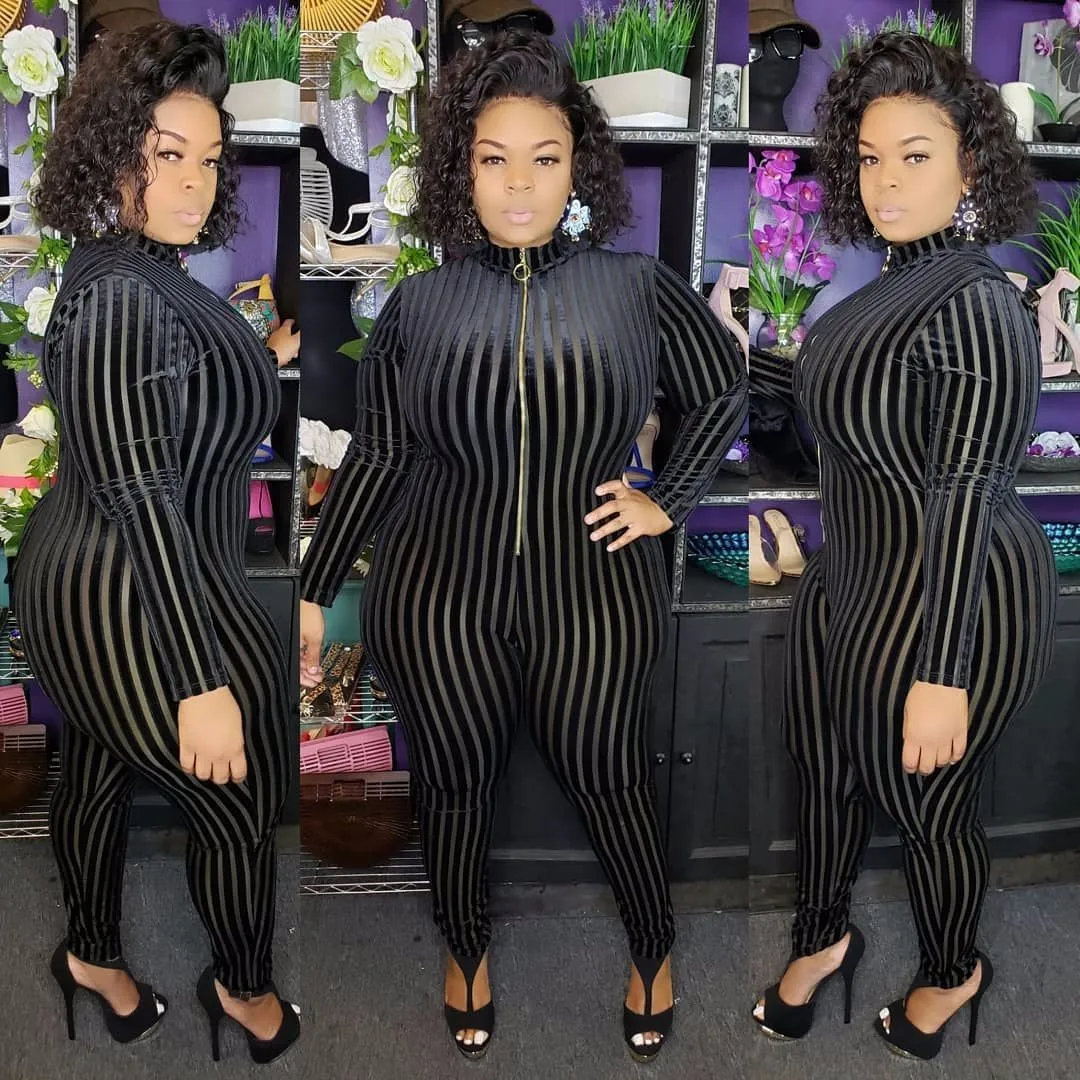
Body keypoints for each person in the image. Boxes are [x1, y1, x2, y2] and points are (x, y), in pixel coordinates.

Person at [298, 30, 745, 1063]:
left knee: (609, 777)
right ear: (463, 169)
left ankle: (653, 945)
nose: (518, 183)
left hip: (592, 587)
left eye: (544, 158)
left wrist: (666, 500)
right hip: (438, 591)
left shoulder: (634, 287)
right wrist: (314, 590)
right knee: (454, 788)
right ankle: (465, 950)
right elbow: (381, 453)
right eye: (493, 158)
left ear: (576, 166)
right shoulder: (420, 303)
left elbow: (722, 391)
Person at [750, 32, 1055, 1060]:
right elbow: (846, 406)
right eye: (870, 157)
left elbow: (966, 489)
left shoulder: (978, 302)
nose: (886, 181)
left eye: (915, 156)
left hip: (952, 594)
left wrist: (943, 674)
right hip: (854, 575)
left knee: (929, 808)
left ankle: (953, 967)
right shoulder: (885, 285)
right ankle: (822, 938)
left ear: (970, 167)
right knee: (825, 772)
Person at [14, 22, 301, 1063]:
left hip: (116, 565)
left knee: (96, 764)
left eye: (209, 158)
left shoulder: (135, 266)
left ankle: (91, 957)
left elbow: (160, 407)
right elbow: (142, 494)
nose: (192, 181)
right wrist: (198, 682)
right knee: (235, 802)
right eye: (164, 154)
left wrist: (254, 355)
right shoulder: (124, 298)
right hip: (118, 580)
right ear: (110, 153)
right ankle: (246, 991)